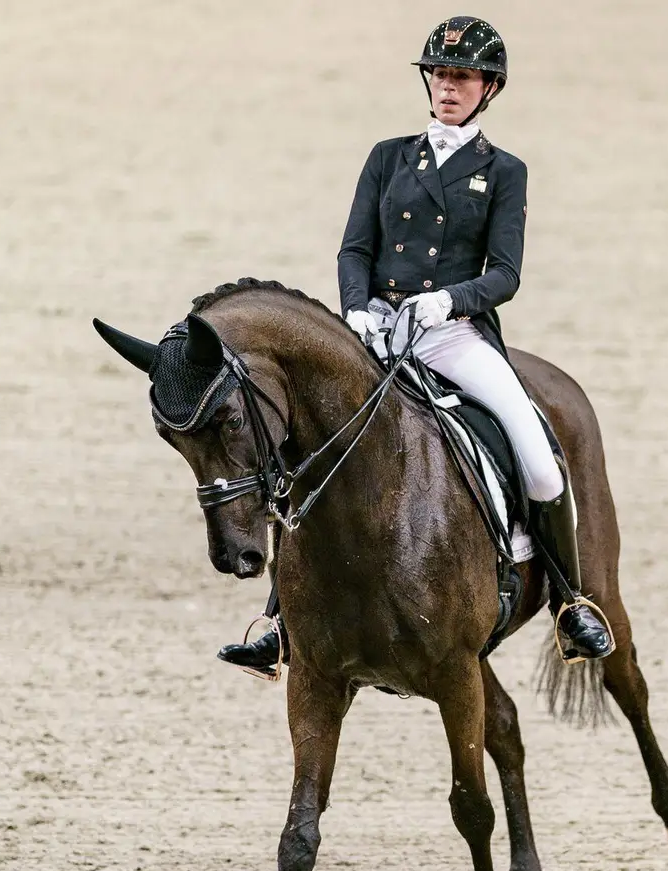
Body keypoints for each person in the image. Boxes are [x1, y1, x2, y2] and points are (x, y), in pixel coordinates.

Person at [218, 16, 613, 676]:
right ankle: (277, 620)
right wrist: (358, 313)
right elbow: (355, 249)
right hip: (379, 336)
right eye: (440, 74)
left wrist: (449, 301)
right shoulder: (387, 157)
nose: (448, 87)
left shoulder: (503, 171)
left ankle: (571, 605)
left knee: (541, 463)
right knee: (311, 451)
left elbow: (505, 274)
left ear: (488, 88)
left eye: (461, 77)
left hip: (454, 337)